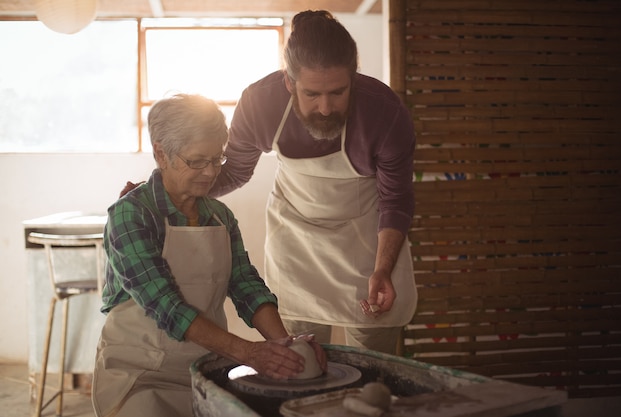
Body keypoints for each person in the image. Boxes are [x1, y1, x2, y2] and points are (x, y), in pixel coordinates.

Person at [92, 93, 325, 417]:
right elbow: (166, 307)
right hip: (139, 376)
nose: (210, 172)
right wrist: (249, 352)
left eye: (217, 159)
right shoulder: (131, 215)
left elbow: (246, 286)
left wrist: (288, 347)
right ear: (161, 153)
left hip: (204, 368)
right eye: (197, 161)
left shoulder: (220, 217)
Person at [208, 10, 418, 355]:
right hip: (296, 246)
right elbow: (234, 172)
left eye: (338, 93)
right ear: (289, 82)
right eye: (312, 94)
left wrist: (382, 269)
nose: (324, 108)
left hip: (366, 245)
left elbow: (396, 200)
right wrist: (163, 189)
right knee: (304, 362)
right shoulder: (259, 103)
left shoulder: (385, 112)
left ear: (354, 78)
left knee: (373, 368)